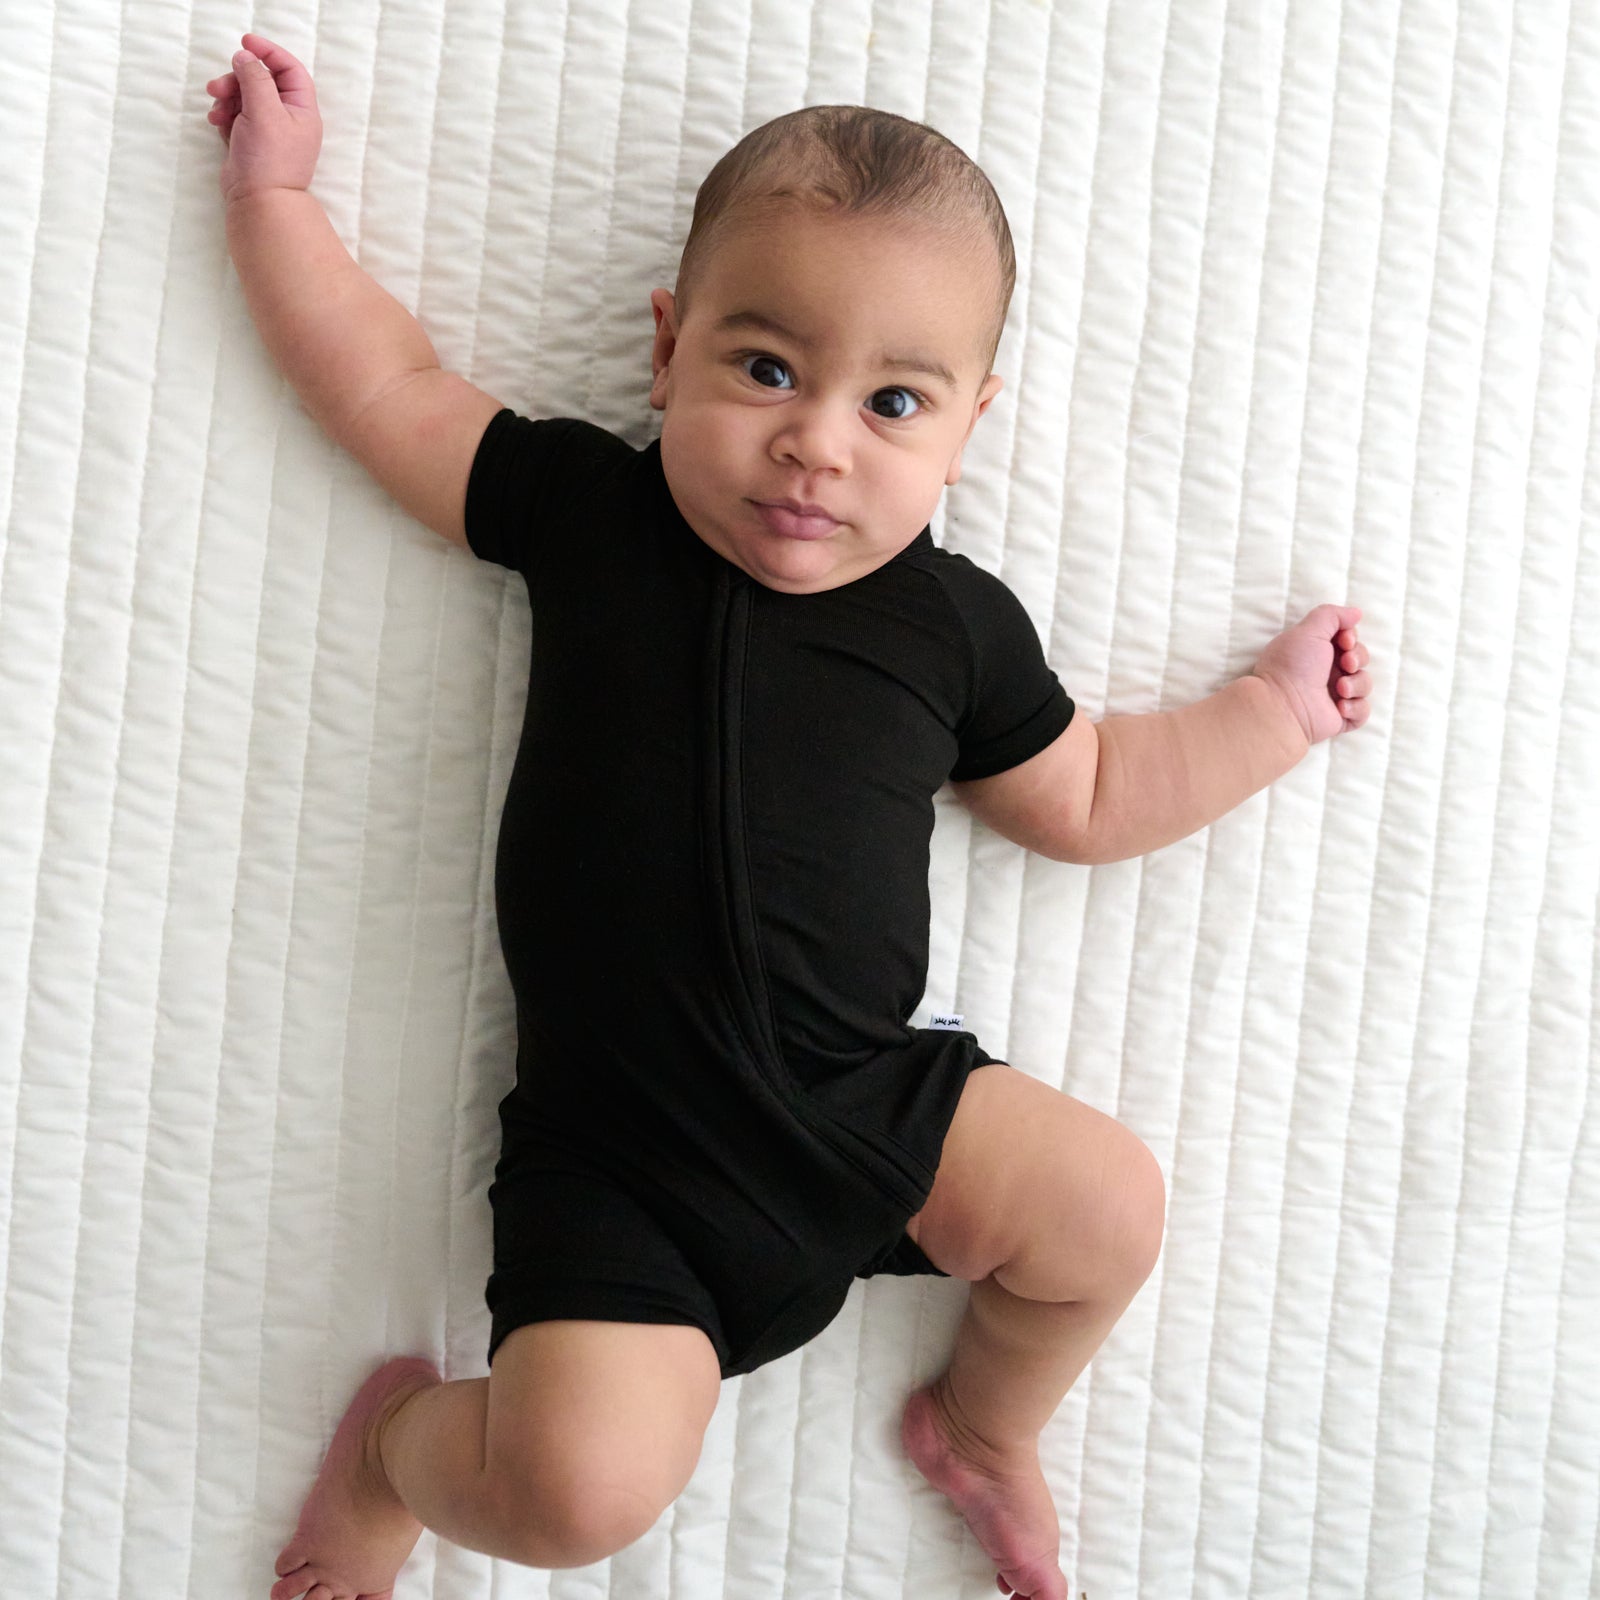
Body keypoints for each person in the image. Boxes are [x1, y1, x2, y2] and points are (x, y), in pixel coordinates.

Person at [206, 32, 1372, 1600]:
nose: (818, 441)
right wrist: (277, 202)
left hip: (865, 1106)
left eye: (892, 402)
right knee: (571, 1494)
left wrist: (1275, 715)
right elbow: (382, 384)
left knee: (1107, 1210)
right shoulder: (594, 512)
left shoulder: (954, 626)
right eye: (766, 369)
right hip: (626, 1155)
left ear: (967, 428)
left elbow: (1092, 791)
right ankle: (391, 1455)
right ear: (667, 349)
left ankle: (983, 1423)